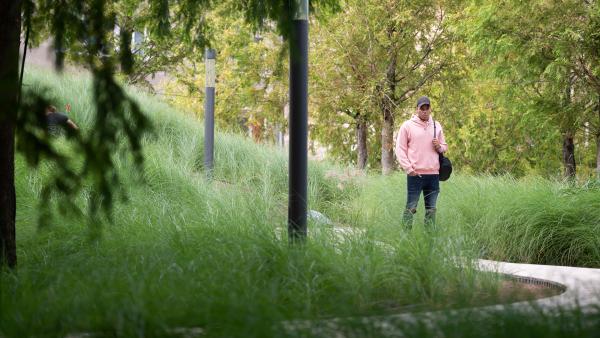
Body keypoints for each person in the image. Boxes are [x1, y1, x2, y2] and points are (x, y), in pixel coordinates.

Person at [394, 96, 448, 229]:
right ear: (417, 109)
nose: (424, 111)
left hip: (434, 175)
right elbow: (400, 149)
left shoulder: (436, 125)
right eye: (421, 108)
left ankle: (429, 241)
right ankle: (404, 238)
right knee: (410, 208)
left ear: (430, 109)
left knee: (431, 211)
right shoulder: (407, 126)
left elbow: (444, 147)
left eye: (427, 108)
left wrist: (438, 147)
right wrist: (409, 168)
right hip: (415, 174)